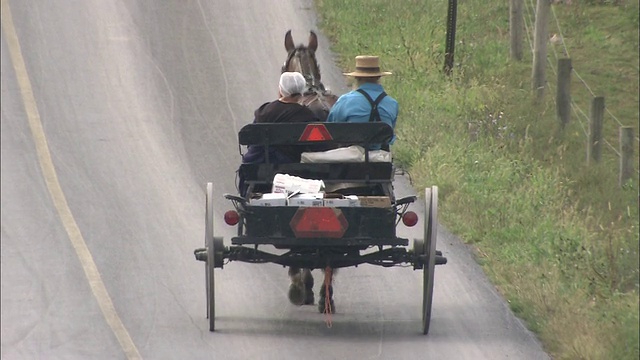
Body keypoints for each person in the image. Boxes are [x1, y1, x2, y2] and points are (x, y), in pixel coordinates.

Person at [242, 71, 322, 164]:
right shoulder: (308, 116)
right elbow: (318, 146)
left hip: (260, 164)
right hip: (292, 166)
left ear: (280, 91)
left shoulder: (264, 111)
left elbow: (252, 139)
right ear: (301, 92)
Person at [326, 55, 398, 150]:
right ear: (378, 78)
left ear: (357, 79)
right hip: (380, 158)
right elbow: (389, 133)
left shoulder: (345, 101)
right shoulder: (392, 103)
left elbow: (331, 128)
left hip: (350, 158)